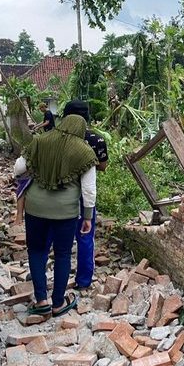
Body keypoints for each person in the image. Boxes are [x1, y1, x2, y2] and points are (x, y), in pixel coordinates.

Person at [14, 114, 98, 318]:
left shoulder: (39, 141)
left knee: (36, 250)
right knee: (62, 254)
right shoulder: (85, 152)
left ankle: (41, 300)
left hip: (36, 209)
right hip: (66, 212)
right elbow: (89, 189)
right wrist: (87, 217)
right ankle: (58, 303)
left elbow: (18, 168)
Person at [61, 99, 108, 290]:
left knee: (58, 237)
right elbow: (103, 166)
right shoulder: (96, 140)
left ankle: (56, 281)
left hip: (60, 193)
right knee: (85, 236)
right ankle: (83, 281)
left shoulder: (58, 139)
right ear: (87, 118)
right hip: (85, 195)